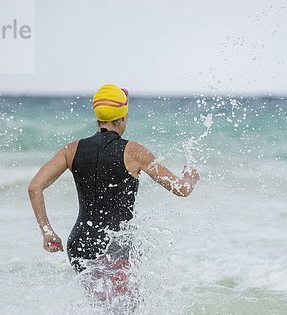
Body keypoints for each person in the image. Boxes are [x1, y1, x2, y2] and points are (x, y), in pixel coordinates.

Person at [28, 84, 200, 299]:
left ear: (97, 117)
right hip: (114, 246)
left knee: (96, 311)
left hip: (80, 244)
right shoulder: (134, 151)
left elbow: (35, 187)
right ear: (122, 117)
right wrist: (189, 180)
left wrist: (47, 232)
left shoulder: (71, 150)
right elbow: (180, 189)